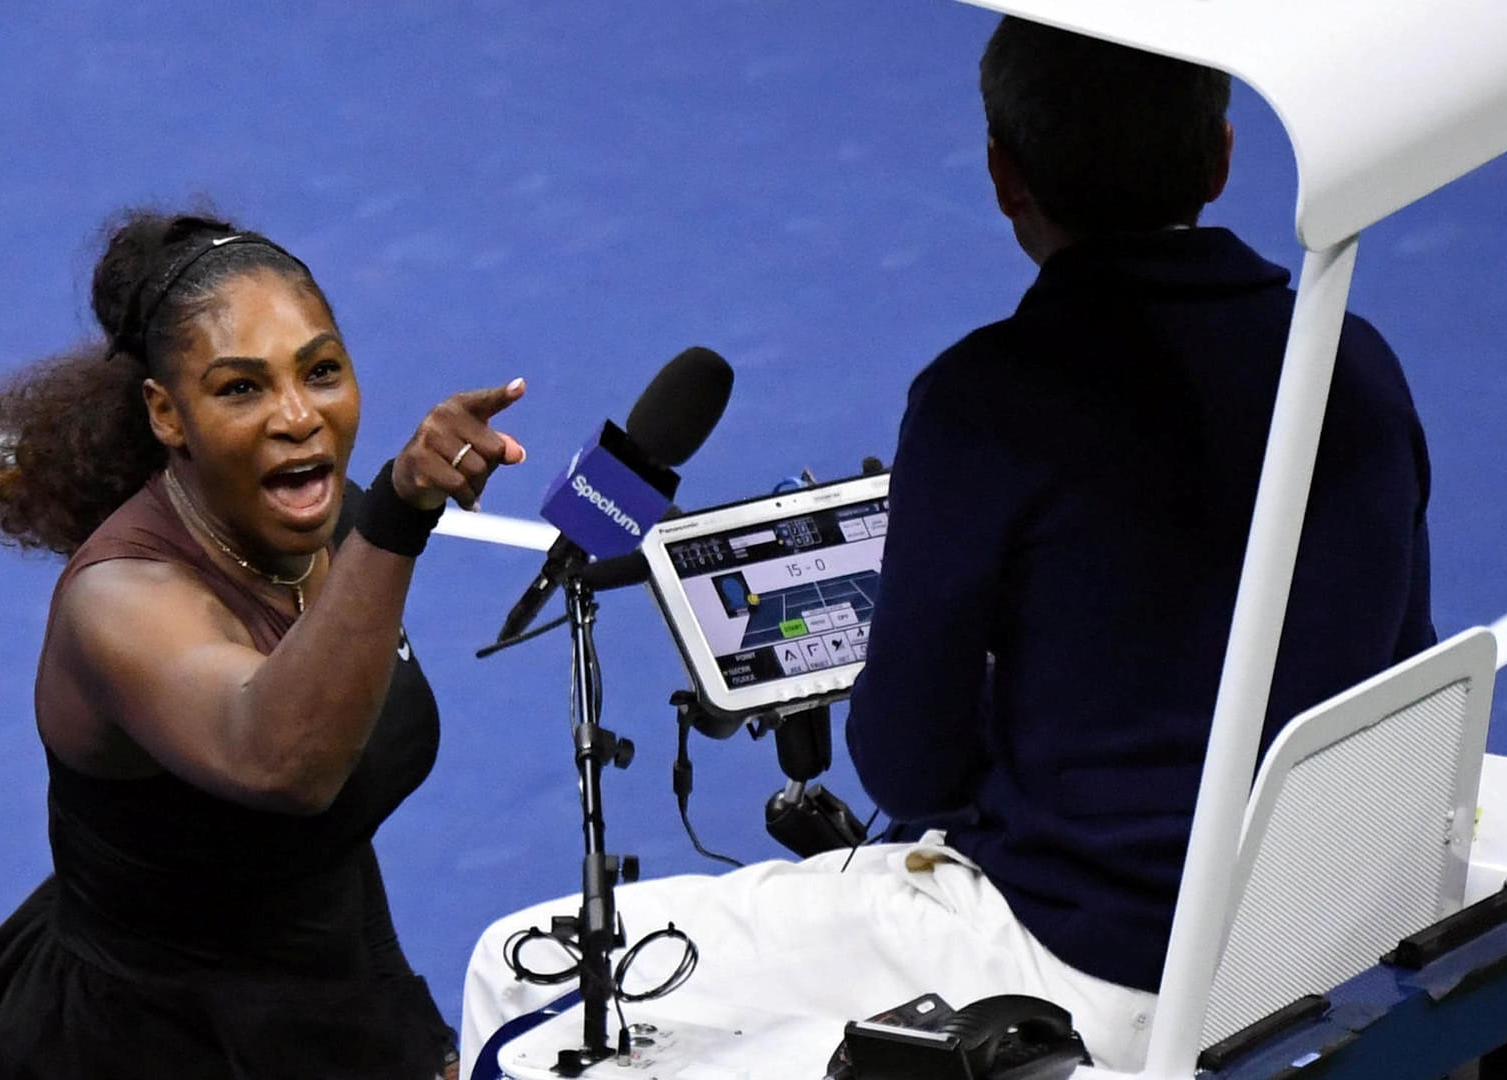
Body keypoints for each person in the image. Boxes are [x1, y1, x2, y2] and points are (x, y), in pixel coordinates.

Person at [460, 17, 1432, 1075]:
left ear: (1004, 176)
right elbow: (1399, 661)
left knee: (517, 970)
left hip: (1086, 971)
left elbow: (908, 764)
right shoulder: (1359, 363)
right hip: (1324, 941)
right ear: (1222, 154)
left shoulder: (987, 404)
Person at [0, 210, 528, 1080]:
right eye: (241, 388)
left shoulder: (320, 524)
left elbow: (332, 822)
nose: (299, 416)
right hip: (141, 1050)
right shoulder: (118, 603)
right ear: (168, 413)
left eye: (322, 371)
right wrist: (400, 515)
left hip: (323, 1014)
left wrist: (400, 1024)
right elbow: (285, 760)